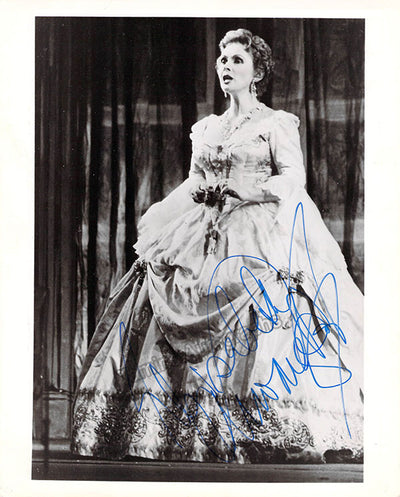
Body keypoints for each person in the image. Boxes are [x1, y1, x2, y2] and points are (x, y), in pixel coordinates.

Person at [72, 28, 363, 464]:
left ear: (257, 73)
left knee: (260, 295)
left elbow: (293, 178)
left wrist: (249, 190)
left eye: (237, 60)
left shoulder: (275, 123)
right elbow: (195, 179)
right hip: (201, 227)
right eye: (223, 60)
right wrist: (168, 208)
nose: (226, 67)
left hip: (255, 227)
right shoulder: (208, 127)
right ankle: (168, 429)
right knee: (163, 283)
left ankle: (263, 428)